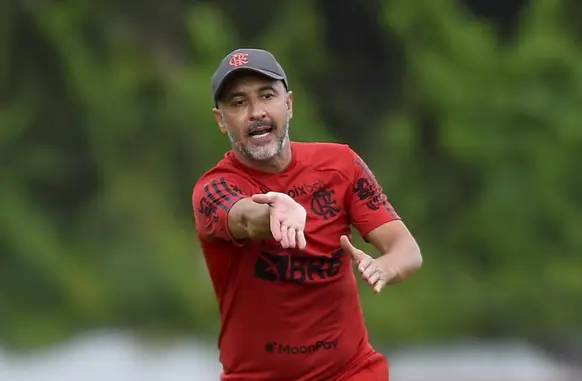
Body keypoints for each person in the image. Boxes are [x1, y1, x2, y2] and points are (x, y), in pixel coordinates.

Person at [192, 48, 422, 381]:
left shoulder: (340, 166)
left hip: (351, 372)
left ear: (288, 104)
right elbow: (242, 217)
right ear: (221, 119)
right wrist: (274, 211)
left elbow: (406, 249)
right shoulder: (213, 188)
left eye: (267, 95)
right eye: (239, 103)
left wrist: (385, 267)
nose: (256, 112)